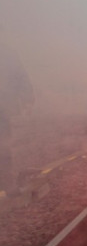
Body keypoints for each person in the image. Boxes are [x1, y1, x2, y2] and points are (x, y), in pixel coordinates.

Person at [0, 41, 34, 196]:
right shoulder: (7, 51)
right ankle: (8, 185)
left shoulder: (7, 52)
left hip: (3, 108)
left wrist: (28, 98)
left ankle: (7, 184)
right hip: (4, 107)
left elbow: (20, 76)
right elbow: (21, 76)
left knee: (4, 147)